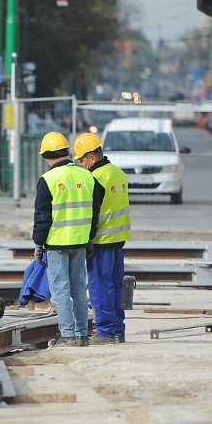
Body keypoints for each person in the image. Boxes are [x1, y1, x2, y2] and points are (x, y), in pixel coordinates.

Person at [33, 132, 102, 347]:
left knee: (60, 290)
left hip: (56, 244)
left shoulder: (48, 180)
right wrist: (89, 237)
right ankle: (81, 334)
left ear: (47, 156)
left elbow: (42, 216)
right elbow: (95, 209)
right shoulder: (87, 176)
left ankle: (68, 335)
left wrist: (38, 242)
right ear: (66, 152)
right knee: (79, 290)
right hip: (80, 242)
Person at [73, 132, 131, 344]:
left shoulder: (95, 178)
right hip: (118, 241)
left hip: (101, 242)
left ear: (92, 157)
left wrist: (85, 240)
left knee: (99, 288)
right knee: (115, 286)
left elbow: (92, 213)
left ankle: (105, 331)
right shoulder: (118, 173)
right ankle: (117, 330)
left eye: (81, 159)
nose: (80, 163)